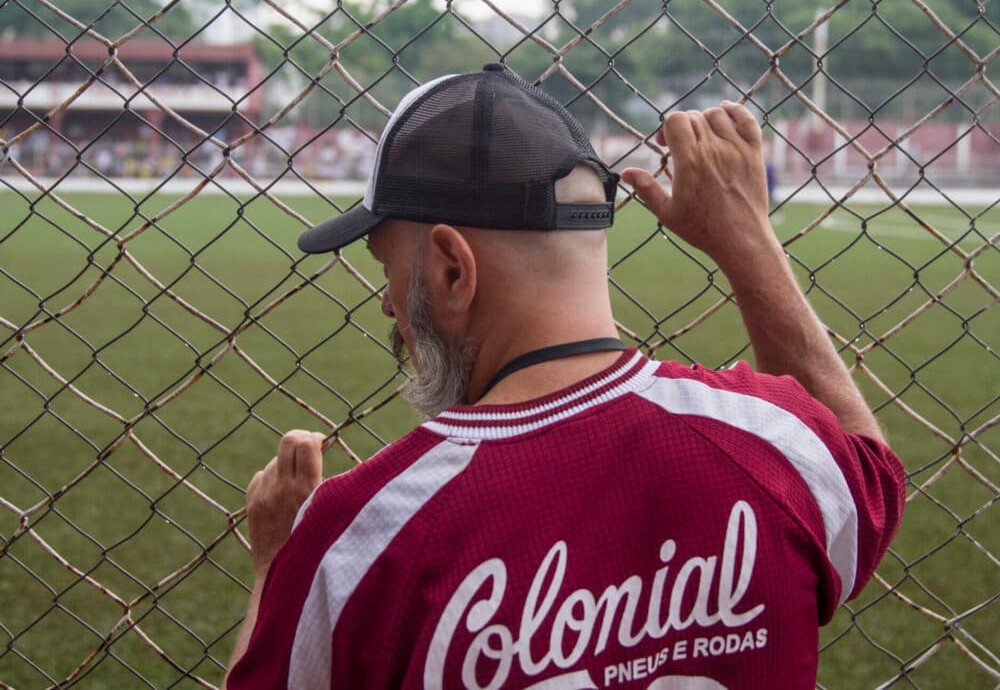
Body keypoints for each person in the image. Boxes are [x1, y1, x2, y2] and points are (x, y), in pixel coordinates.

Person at [223, 64, 904, 689]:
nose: (387, 302)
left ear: (452, 269)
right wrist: (745, 238)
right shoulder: (773, 444)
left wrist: (277, 566)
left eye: (387, 268)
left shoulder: (360, 538)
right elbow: (866, 477)